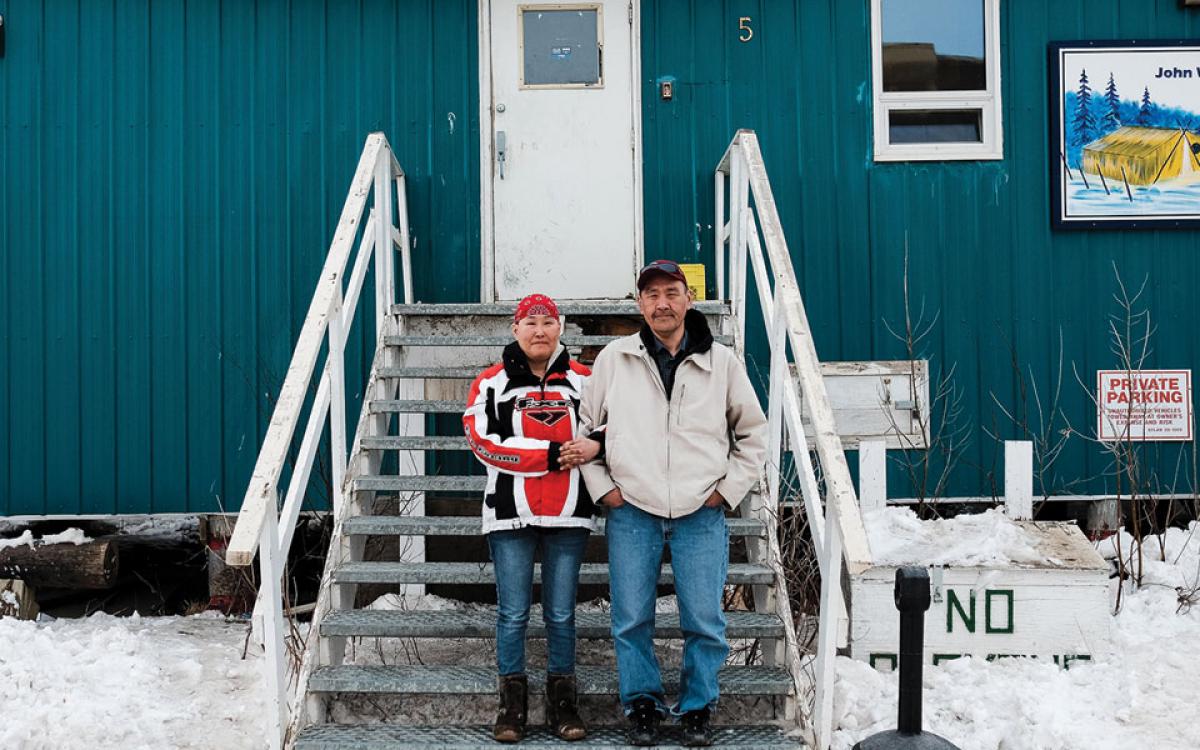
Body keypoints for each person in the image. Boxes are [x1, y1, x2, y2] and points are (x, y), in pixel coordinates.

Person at [579, 260, 768, 747]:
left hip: (699, 511)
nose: (661, 303)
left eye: (671, 292)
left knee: (704, 617)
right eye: (651, 295)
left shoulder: (720, 362)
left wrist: (727, 491)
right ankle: (642, 703)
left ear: (688, 299)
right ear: (639, 304)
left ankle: (697, 706)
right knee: (631, 617)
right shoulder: (614, 360)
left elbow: (753, 434)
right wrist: (604, 489)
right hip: (632, 508)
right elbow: (582, 431)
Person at [463, 293, 602, 743]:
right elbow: (483, 442)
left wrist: (591, 447)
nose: (538, 330)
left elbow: (606, 428)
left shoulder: (586, 380)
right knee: (513, 613)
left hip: (569, 512)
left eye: (547, 322)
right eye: (529, 322)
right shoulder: (490, 382)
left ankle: (564, 703)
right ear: (514, 329)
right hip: (510, 514)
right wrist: (550, 454)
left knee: (561, 614)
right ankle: (512, 705)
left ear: (560, 328)